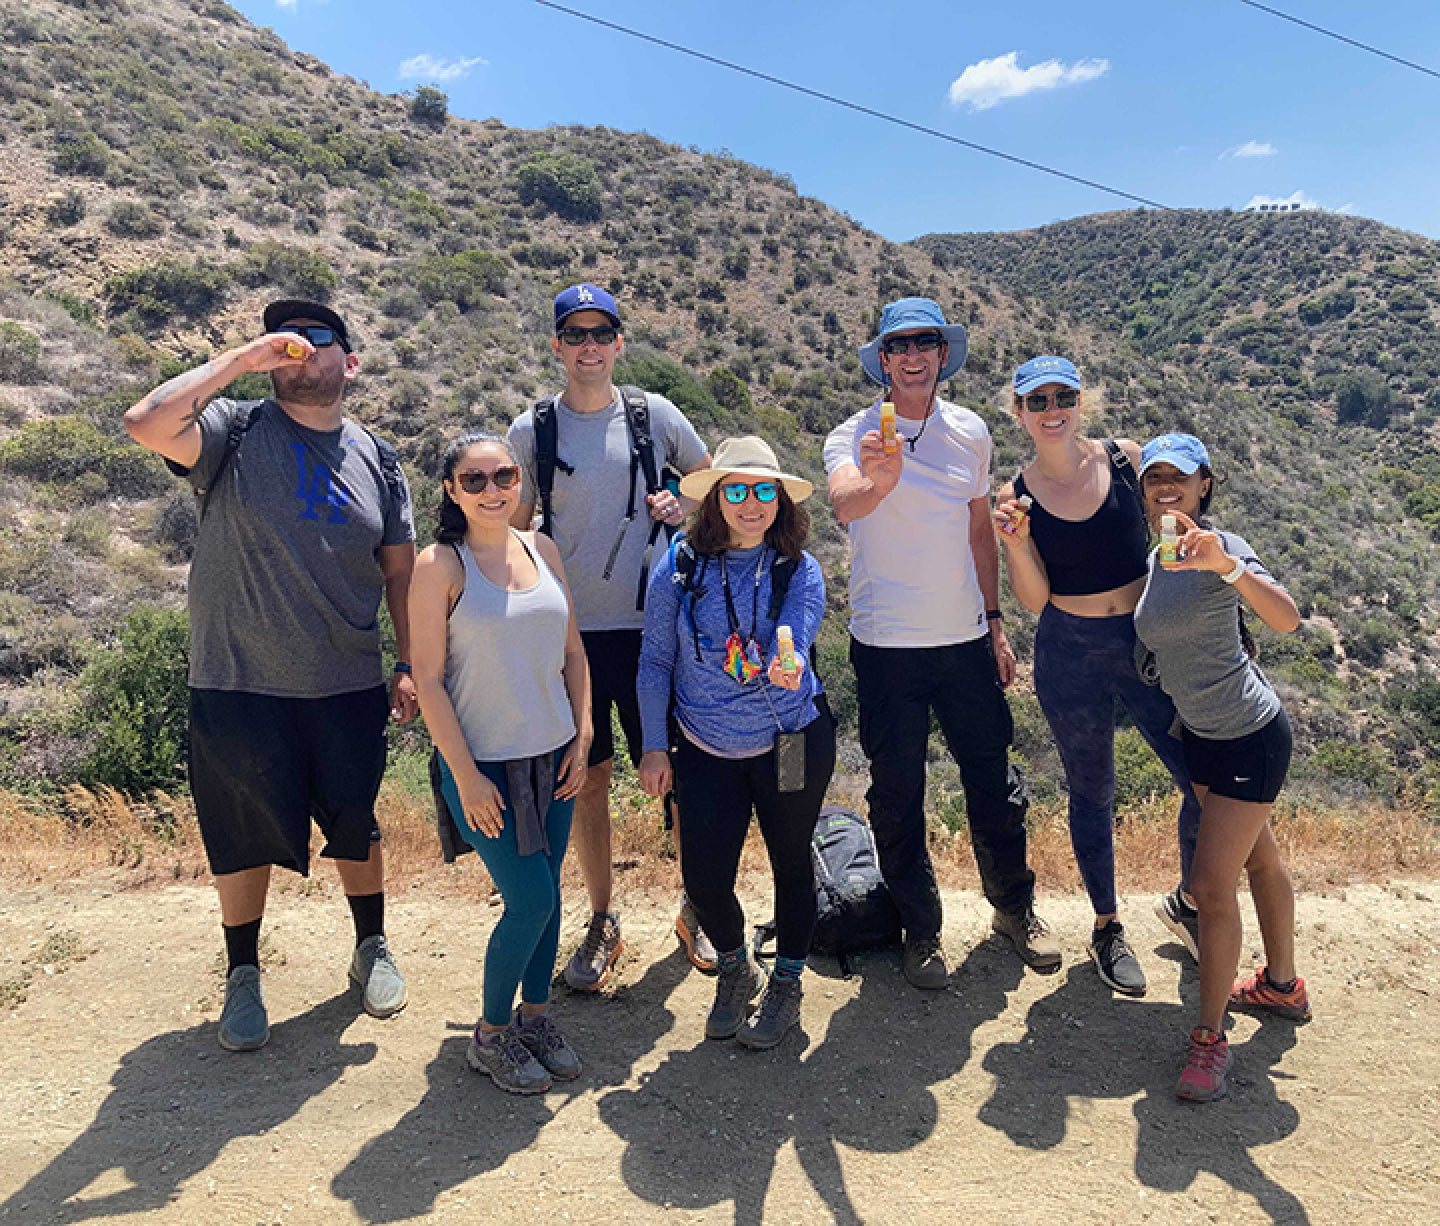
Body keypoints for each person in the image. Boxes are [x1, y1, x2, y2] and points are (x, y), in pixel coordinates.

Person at [123, 299, 416, 1052]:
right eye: (283, 338)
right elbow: (147, 421)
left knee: (355, 819)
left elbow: (399, 574)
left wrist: (410, 663)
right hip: (236, 679)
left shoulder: (378, 459)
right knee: (241, 832)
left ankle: (370, 947)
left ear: (349, 364)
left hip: (346, 680)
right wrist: (240, 363)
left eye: (316, 339)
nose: (296, 348)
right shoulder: (235, 429)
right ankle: (244, 973)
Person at [824, 298, 1059, 990]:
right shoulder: (855, 435)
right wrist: (880, 480)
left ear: (942, 355)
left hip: (963, 640)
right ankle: (920, 931)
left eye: (927, 342)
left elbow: (979, 530)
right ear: (884, 361)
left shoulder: (971, 433)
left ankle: (1014, 909)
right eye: (901, 345)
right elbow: (843, 502)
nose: (915, 355)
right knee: (898, 794)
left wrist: (993, 620)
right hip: (886, 644)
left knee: (993, 781)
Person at [507, 284, 713, 990]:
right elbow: (512, 533)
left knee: (681, 776)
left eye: (602, 332)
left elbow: (714, 485)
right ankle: (603, 920)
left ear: (620, 342)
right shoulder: (531, 432)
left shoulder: (653, 416)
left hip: (657, 631)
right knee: (586, 784)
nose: (589, 345)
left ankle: (699, 906)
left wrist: (679, 502)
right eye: (576, 333)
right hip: (573, 640)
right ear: (558, 345)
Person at [993, 356, 1201, 997]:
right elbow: (1033, 600)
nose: (1052, 410)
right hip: (1070, 650)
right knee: (1092, 791)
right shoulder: (1015, 495)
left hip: (1146, 640)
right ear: (1020, 413)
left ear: (1081, 401)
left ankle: (1192, 902)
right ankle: (1108, 927)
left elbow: (1170, 527)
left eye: (1063, 396)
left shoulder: (1124, 460)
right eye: (1037, 402)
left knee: (1201, 777)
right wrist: (1017, 543)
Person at [636, 437, 834, 1050]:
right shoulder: (678, 566)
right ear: (716, 498)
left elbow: (795, 637)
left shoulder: (799, 568)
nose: (752, 504)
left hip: (789, 739)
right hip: (705, 747)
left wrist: (790, 664)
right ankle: (733, 963)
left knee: (792, 861)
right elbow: (655, 660)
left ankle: (788, 980)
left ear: (781, 500)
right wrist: (653, 745)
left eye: (764, 490)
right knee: (704, 877)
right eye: (738, 490)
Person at [409, 432, 592, 1094]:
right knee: (531, 900)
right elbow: (427, 680)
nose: (493, 491)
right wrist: (464, 775)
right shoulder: (441, 566)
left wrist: (584, 732)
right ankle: (489, 1036)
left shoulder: (541, 549)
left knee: (547, 899)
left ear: (521, 482)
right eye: (476, 480)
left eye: (505, 476)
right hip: (486, 765)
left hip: (555, 754)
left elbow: (573, 650)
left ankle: (535, 1017)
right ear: (452, 491)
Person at [1132, 433, 1308, 1103]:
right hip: (1202, 738)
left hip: (1249, 737)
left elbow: (1286, 618)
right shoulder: (1158, 555)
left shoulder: (1220, 548)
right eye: (1155, 478)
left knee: (1209, 887)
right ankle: (1283, 987)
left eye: (1181, 476)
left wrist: (1226, 568)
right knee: (1260, 861)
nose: (1166, 486)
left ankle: (1209, 1041)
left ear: (1206, 484)